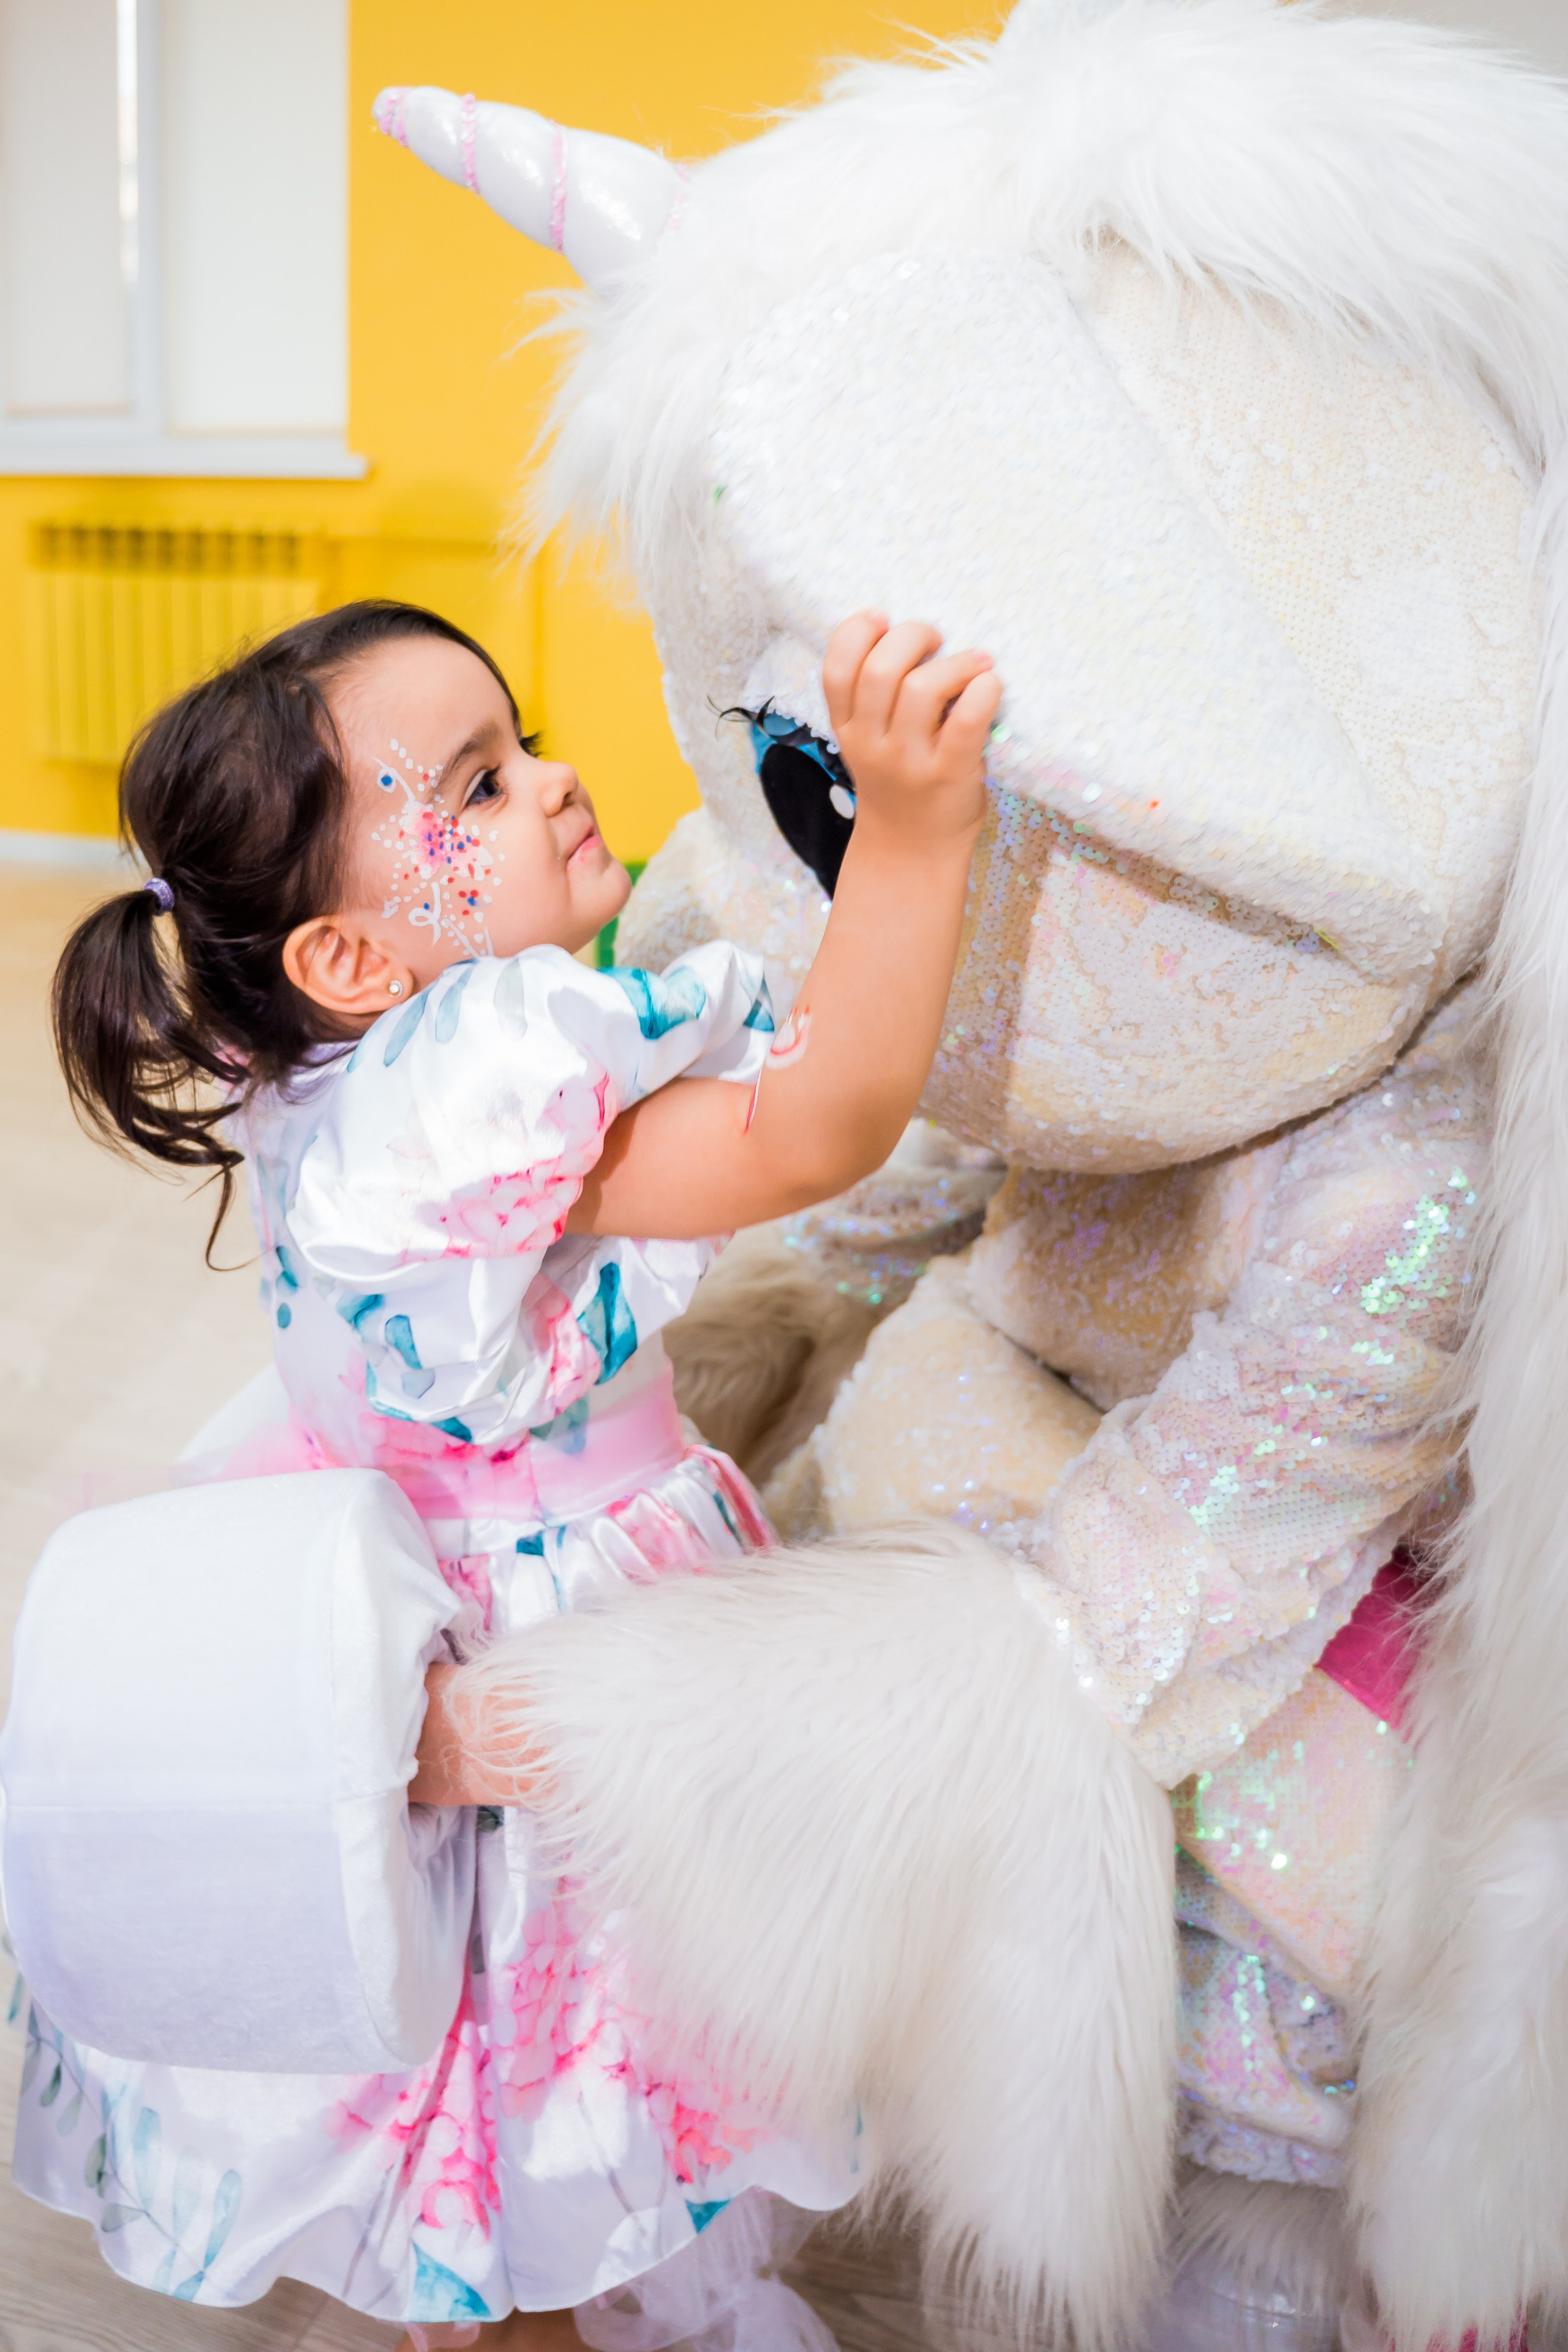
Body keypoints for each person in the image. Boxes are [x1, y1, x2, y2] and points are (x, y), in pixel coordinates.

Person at [36, 597, 1000, 2350]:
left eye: (522, 738)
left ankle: (496, 2303)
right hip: (542, 1653)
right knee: (556, 2076)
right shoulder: (475, 1089)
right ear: (346, 956)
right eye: (473, 788)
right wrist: (921, 834)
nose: (552, 784)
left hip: (439, 1574)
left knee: (494, 2092)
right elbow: (818, 1126)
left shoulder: (334, 1064)